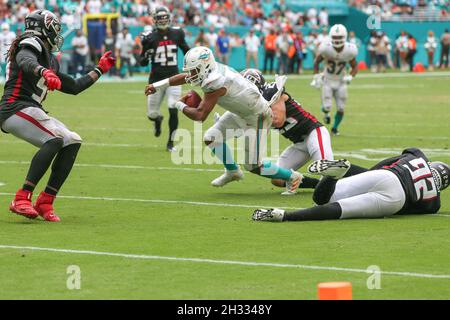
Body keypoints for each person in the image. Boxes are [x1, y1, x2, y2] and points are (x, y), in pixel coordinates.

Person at [0, 10, 115, 222]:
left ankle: (46, 201)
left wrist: (98, 70)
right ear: (43, 28)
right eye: (54, 29)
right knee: (54, 139)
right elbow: (25, 59)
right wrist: (42, 72)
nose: (57, 34)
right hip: (14, 107)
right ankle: (22, 197)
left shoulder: (50, 59)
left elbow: (73, 86)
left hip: (31, 108)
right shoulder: (30, 42)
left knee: (72, 140)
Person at [145, 46, 303, 195]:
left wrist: (178, 104)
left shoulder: (215, 81)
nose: (190, 74)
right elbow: (185, 77)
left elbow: (200, 116)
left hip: (258, 116)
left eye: (193, 70)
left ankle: (292, 177)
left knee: (254, 166)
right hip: (240, 112)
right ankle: (233, 171)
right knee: (211, 138)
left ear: (204, 66)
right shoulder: (209, 69)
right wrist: (158, 85)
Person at [253, 148, 449, 222]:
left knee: (322, 197)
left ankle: (333, 176)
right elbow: (407, 211)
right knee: (341, 209)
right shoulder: (435, 204)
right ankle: (285, 216)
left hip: (387, 176)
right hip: (397, 199)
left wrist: (372, 174)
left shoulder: (418, 156)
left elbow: (390, 162)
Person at [241, 68, 334, 193]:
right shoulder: (255, 104)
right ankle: (317, 185)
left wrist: (252, 121)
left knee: (326, 170)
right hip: (299, 143)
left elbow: (278, 120)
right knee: (278, 179)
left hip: (314, 132)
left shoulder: (272, 93)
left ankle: (359, 180)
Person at [140, 6, 190, 152]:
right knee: (152, 114)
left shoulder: (177, 33)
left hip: (174, 78)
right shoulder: (149, 37)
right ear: (155, 20)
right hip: (155, 80)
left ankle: (170, 143)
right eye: (159, 18)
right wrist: (146, 55)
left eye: (164, 17)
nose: (163, 20)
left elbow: (187, 50)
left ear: (169, 18)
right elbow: (142, 61)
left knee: (173, 108)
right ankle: (157, 120)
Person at [311, 24, 358, 136]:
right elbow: (317, 62)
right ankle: (326, 114)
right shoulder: (325, 48)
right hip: (328, 79)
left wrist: (351, 76)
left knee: (341, 108)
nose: (337, 40)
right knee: (327, 107)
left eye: (339, 37)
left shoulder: (350, 50)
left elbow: (355, 66)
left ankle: (335, 128)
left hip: (341, 81)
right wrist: (317, 77)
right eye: (335, 37)